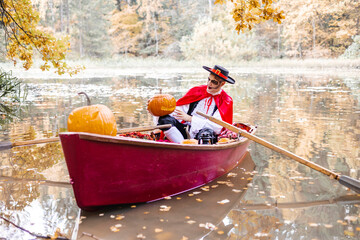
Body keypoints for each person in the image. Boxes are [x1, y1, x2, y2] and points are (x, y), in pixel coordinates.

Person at [157, 65, 235, 143]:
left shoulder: (225, 100)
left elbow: (217, 127)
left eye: (214, 82)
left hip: (206, 134)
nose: (209, 84)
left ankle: (195, 150)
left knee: (206, 134)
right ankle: (183, 145)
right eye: (209, 79)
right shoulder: (196, 91)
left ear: (222, 84)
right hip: (185, 131)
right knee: (164, 120)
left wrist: (191, 119)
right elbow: (177, 112)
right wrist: (160, 109)